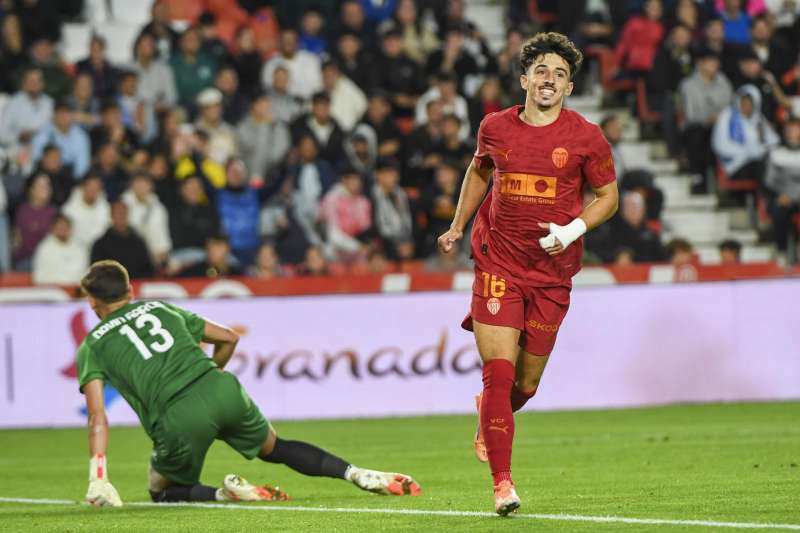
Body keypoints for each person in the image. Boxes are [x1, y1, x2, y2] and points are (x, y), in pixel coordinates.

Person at [436, 32, 619, 515]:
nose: (549, 79)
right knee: (498, 374)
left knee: (525, 385)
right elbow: (480, 171)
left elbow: (609, 198)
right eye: (541, 71)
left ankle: (488, 415)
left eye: (560, 74)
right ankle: (503, 484)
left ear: (569, 87)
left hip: (552, 273)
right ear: (524, 80)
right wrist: (457, 225)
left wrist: (573, 230)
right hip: (498, 261)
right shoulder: (495, 127)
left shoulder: (587, 137)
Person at [77, 260, 421, 507]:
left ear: (91, 300)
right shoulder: (161, 308)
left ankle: (224, 494)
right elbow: (228, 337)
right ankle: (355, 473)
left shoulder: (92, 345)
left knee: (161, 490)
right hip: (220, 387)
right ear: (130, 290)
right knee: (277, 448)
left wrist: (98, 476)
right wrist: (207, 378)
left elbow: (97, 416)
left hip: (177, 415)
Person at [90, 201, 154, 279]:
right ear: (111, 216)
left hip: (136, 283)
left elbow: (149, 270)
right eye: (118, 213)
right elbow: (96, 273)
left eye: (124, 213)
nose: (121, 216)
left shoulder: (139, 242)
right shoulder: (100, 245)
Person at [764, 118, 800, 252]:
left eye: (795, 129)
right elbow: (769, 182)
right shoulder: (776, 154)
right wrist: (781, 195)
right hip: (784, 198)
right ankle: (782, 250)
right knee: (778, 210)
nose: (791, 132)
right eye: (789, 129)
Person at [32, 213, 88, 285]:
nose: (62, 230)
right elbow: (40, 277)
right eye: (59, 227)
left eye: (65, 227)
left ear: (70, 228)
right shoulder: (44, 248)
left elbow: (83, 272)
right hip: (52, 288)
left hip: (76, 287)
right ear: (52, 229)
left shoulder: (79, 247)